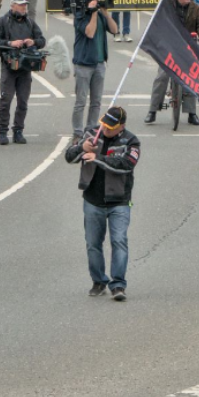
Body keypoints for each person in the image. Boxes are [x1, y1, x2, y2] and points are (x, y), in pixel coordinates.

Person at [66, 107, 140, 301]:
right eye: (104, 123)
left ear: (121, 126)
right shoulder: (90, 134)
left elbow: (126, 165)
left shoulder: (131, 142)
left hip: (120, 201)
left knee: (119, 241)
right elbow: (69, 157)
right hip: (93, 200)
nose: (105, 129)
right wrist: (82, 148)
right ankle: (99, 281)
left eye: (111, 126)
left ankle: (118, 285)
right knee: (93, 244)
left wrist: (97, 158)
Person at [145, 0, 199, 127]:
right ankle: (153, 110)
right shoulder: (166, 8)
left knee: (191, 77)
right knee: (162, 76)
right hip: (169, 47)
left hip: (187, 48)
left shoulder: (195, 8)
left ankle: (192, 113)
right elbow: (158, 24)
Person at [0, 0, 46, 145]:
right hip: (9, 67)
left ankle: (18, 131)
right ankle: (3, 131)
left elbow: (42, 40)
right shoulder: (3, 21)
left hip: (25, 67)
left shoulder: (30, 22)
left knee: (23, 101)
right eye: (21, 4)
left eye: (25, 5)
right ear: (12, 6)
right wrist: (10, 43)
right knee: (6, 100)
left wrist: (33, 41)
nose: (24, 7)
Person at [71, 0, 118, 138]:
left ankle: (91, 129)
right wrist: (92, 13)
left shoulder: (101, 14)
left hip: (99, 63)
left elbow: (115, 30)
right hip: (84, 63)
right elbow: (90, 33)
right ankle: (78, 132)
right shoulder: (80, 14)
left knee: (96, 102)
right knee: (81, 101)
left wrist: (105, 13)